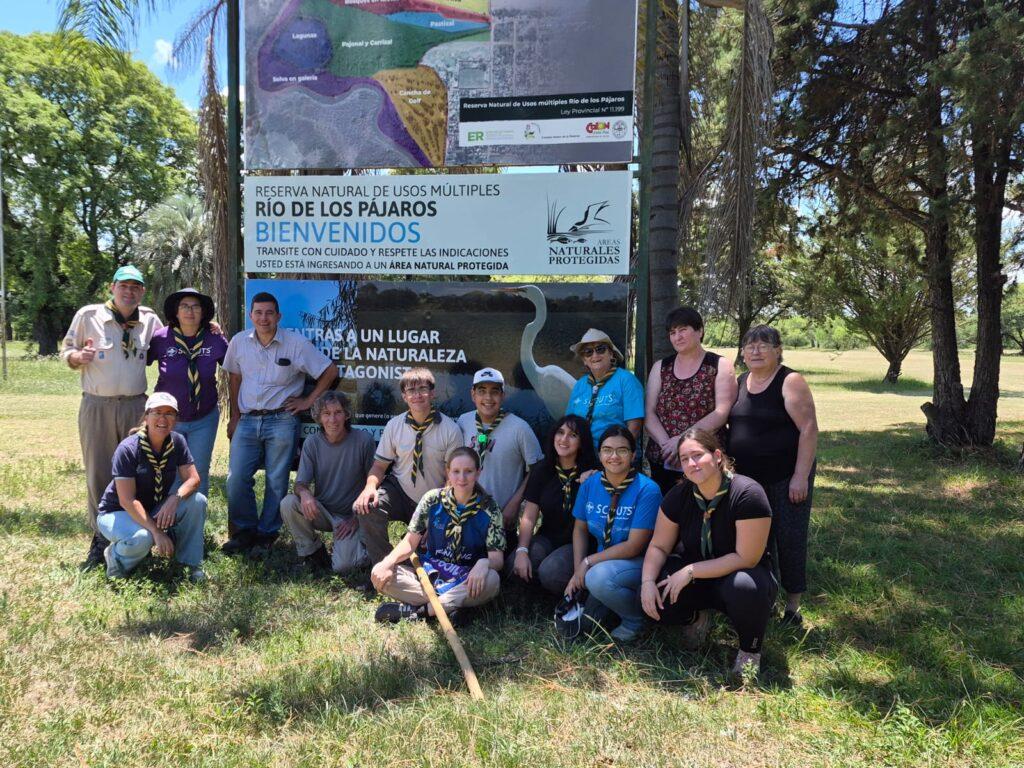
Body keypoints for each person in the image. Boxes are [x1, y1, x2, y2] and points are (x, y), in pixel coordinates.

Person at [639, 428, 777, 676]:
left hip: (741, 574)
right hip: (699, 577)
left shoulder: (748, 494)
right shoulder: (679, 495)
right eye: (684, 459)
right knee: (658, 589)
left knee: (744, 587)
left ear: (716, 455)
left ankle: (749, 649)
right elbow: (659, 546)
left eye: (697, 455)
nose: (692, 463)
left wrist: (691, 571)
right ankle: (695, 619)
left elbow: (747, 557)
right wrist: (647, 581)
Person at [61, 265, 164, 570]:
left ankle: (136, 535)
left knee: (137, 471)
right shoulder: (88, 315)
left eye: (135, 287)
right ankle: (100, 538)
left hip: (136, 406)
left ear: (142, 291)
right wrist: (77, 358)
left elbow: (172, 339)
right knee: (98, 473)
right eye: (124, 286)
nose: (129, 292)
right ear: (112, 287)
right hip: (98, 406)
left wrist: (207, 327)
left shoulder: (149, 319)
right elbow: (66, 350)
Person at [221, 292, 339, 556]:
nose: (263, 318)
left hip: (282, 420)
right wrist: (234, 416)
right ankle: (244, 532)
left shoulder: (295, 344)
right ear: (251, 315)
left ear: (278, 316)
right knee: (236, 478)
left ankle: (266, 533)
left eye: (269, 313)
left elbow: (330, 371)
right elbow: (234, 379)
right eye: (258, 313)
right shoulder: (239, 342)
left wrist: (308, 401)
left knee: (276, 480)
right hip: (248, 418)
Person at [727, 325, 818, 625]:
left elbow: (808, 429)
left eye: (764, 345)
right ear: (742, 352)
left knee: (789, 538)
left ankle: (793, 607)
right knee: (757, 542)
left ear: (778, 349)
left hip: (785, 476)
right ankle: (765, 597)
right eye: (750, 345)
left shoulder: (789, 380)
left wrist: (800, 476)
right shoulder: (741, 382)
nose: (755, 350)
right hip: (749, 481)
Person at [371, 447, 505, 624]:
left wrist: (484, 562)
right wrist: (387, 563)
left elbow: (498, 559)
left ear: (478, 473)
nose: (462, 478)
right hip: (431, 576)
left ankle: (418, 612)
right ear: (447, 472)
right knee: (381, 573)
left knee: (492, 580)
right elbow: (410, 542)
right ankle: (454, 607)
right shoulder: (432, 500)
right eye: (456, 471)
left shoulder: (490, 508)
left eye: (468, 471)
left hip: (468, 580)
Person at [353, 368, 463, 565]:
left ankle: (418, 553)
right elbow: (379, 466)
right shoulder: (394, 425)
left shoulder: (450, 429)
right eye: (411, 390)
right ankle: (385, 566)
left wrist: (441, 511)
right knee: (367, 507)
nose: (417, 395)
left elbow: (452, 478)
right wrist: (369, 488)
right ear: (404, 396)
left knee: (433, 556)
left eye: (422, 389)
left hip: (434, 497)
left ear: (433, 393)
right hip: (400, 491)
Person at [95, 393, 208, 582]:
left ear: (176, 419)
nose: (163, 419)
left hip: (152, 507)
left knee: (197, 501)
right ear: (146, 416)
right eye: (157, 412)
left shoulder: (177, 442)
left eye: (170, 413)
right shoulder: (128, 449)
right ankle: (116, 560)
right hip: (117, 512)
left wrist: (175, 498)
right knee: (143, 537)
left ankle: (190, 564)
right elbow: (127, 500)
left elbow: (194, 479)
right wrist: (157, 532)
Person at [565, 425, 662, 642]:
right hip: (604, 562)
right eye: (607, 450)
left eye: (622, 450)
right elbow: (580, 529)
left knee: (597, 578)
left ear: (633, 455)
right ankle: (612, 606)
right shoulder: (590, 485)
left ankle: (636, 620)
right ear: (599, 455)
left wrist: (588, 563)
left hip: (639, 562)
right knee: (585, 626)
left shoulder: (647, 490)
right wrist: (577, 571)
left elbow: (634, 546)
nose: (614, 456)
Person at [279, 391, 375, 574]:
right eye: (326, 414)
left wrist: (357, 519)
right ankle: (313, 553)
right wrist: (306, 493)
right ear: (318, 417)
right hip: (323, 511)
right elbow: (300, 483)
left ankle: (364, 552)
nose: (333, 419)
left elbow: (374, 486)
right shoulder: (312, 443)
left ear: (346, 414)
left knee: (343, 567)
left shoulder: (364, 441)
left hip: (351, 516)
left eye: (338, 412)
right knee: (289, 503)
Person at [644, 306, 736, 494]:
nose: (677, 337)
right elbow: (649, 412)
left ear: (700, 330)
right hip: (664, 457)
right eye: (673, 332)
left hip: (703, 458)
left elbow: (721, 413)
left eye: (683, 329)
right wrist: (668, 446)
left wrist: (682, 443)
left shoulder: (719, 365)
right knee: (667, 514)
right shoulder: (660, 367)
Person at [147, 288, 228, 498]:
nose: (189, 311)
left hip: (204, 417)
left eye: (195, 307)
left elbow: (234, 367)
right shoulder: (160, 338)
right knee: (169, 470)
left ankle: (194, 523)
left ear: (203, 312)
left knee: (198, 471)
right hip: (168, 419)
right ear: (176, 311)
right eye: (184, 306)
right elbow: (136, 362)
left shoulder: (214, 339)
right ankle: (169, 523)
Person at [511, 415, 597, 594]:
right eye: (560, 432)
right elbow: (529, 516)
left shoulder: (592, 472)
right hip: (549, 537)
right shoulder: (544, 469)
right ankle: (542, 589)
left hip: (581, 542)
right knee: (513, 564)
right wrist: (521, 550)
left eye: (573, 435)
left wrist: (597, 478)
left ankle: (575, 589)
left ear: (582, 442)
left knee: (550, 571)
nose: (564, 439)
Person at [457, 367, 543, 536]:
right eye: (482, 391)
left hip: (501, 519)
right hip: (464, 515)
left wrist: (515, 503)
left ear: (503, 395)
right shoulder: (463, 421)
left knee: (496, 562)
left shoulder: (519, 428)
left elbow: (538, 468)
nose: (488, 398)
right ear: (473, 394)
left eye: (494, 392)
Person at [565, 328, 645, 453]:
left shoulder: (626, 380)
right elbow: (568, 423)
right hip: (583, 457)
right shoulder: (580, 385)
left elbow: (634, 427)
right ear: (584, 360)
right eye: (588, 352)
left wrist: (615, 454)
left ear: (611, 353)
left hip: (616, 458)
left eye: (600, 349)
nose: (595, 355)